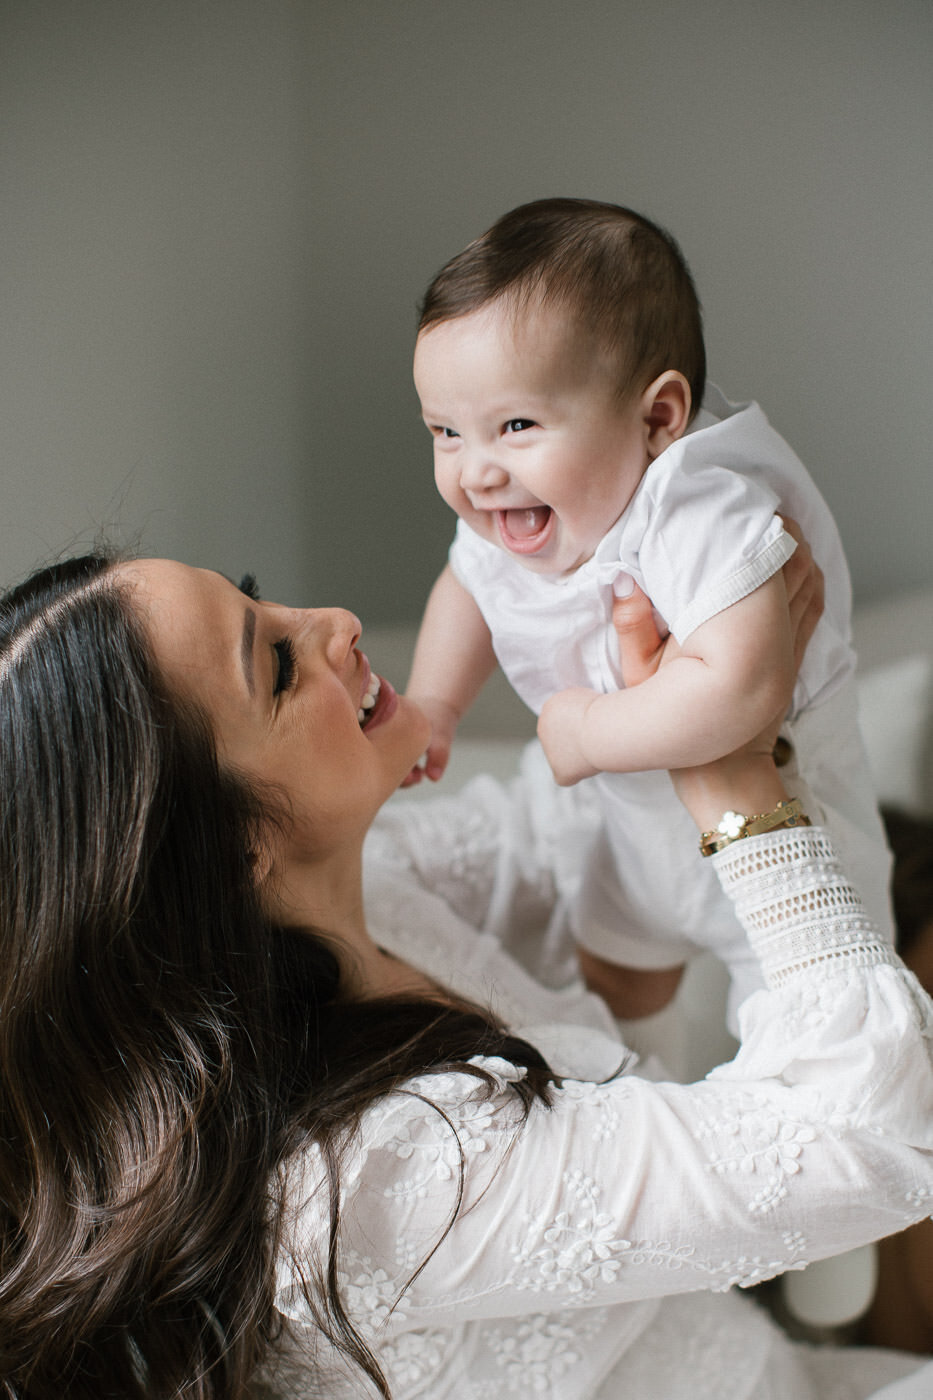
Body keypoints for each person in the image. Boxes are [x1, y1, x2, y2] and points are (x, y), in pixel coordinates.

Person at [1, 545, 932, 1400]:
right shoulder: (365, 1179)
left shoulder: (379, 891)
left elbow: (561, 835)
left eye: (260, 600)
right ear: (227, 848)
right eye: (278, 663)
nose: (334, 621)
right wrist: (742, 797)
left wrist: (675, 691)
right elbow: (878, 1135)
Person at [407, 196, 891, 1037]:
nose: (475, 472)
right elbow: (467, 589)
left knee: (809, 1027)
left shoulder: (698, 503)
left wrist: (588, 734)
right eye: (446, 432)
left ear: (658, 417)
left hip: (781, 819)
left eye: (515, 425)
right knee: (619, 984)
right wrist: (434, 706)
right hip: (629, 827)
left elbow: (740, 691)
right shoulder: (509, 515)